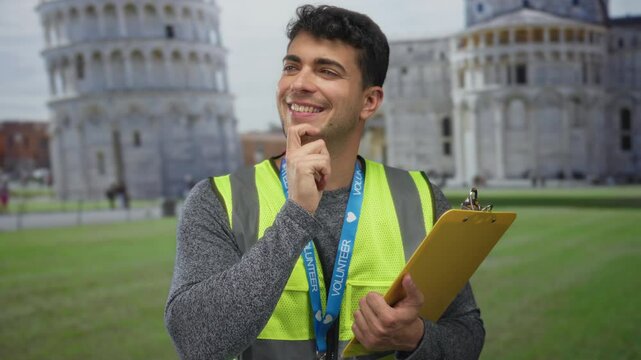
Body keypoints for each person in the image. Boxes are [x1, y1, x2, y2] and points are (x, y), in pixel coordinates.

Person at [165, 5, 484, 360]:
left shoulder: (420, 197)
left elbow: (468, 334)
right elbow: (196, 340)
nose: (299, 83)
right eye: (291, 66)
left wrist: (416, 338)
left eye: (326, 71)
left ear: (369, 101)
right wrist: (297, 214)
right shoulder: (218, 200)